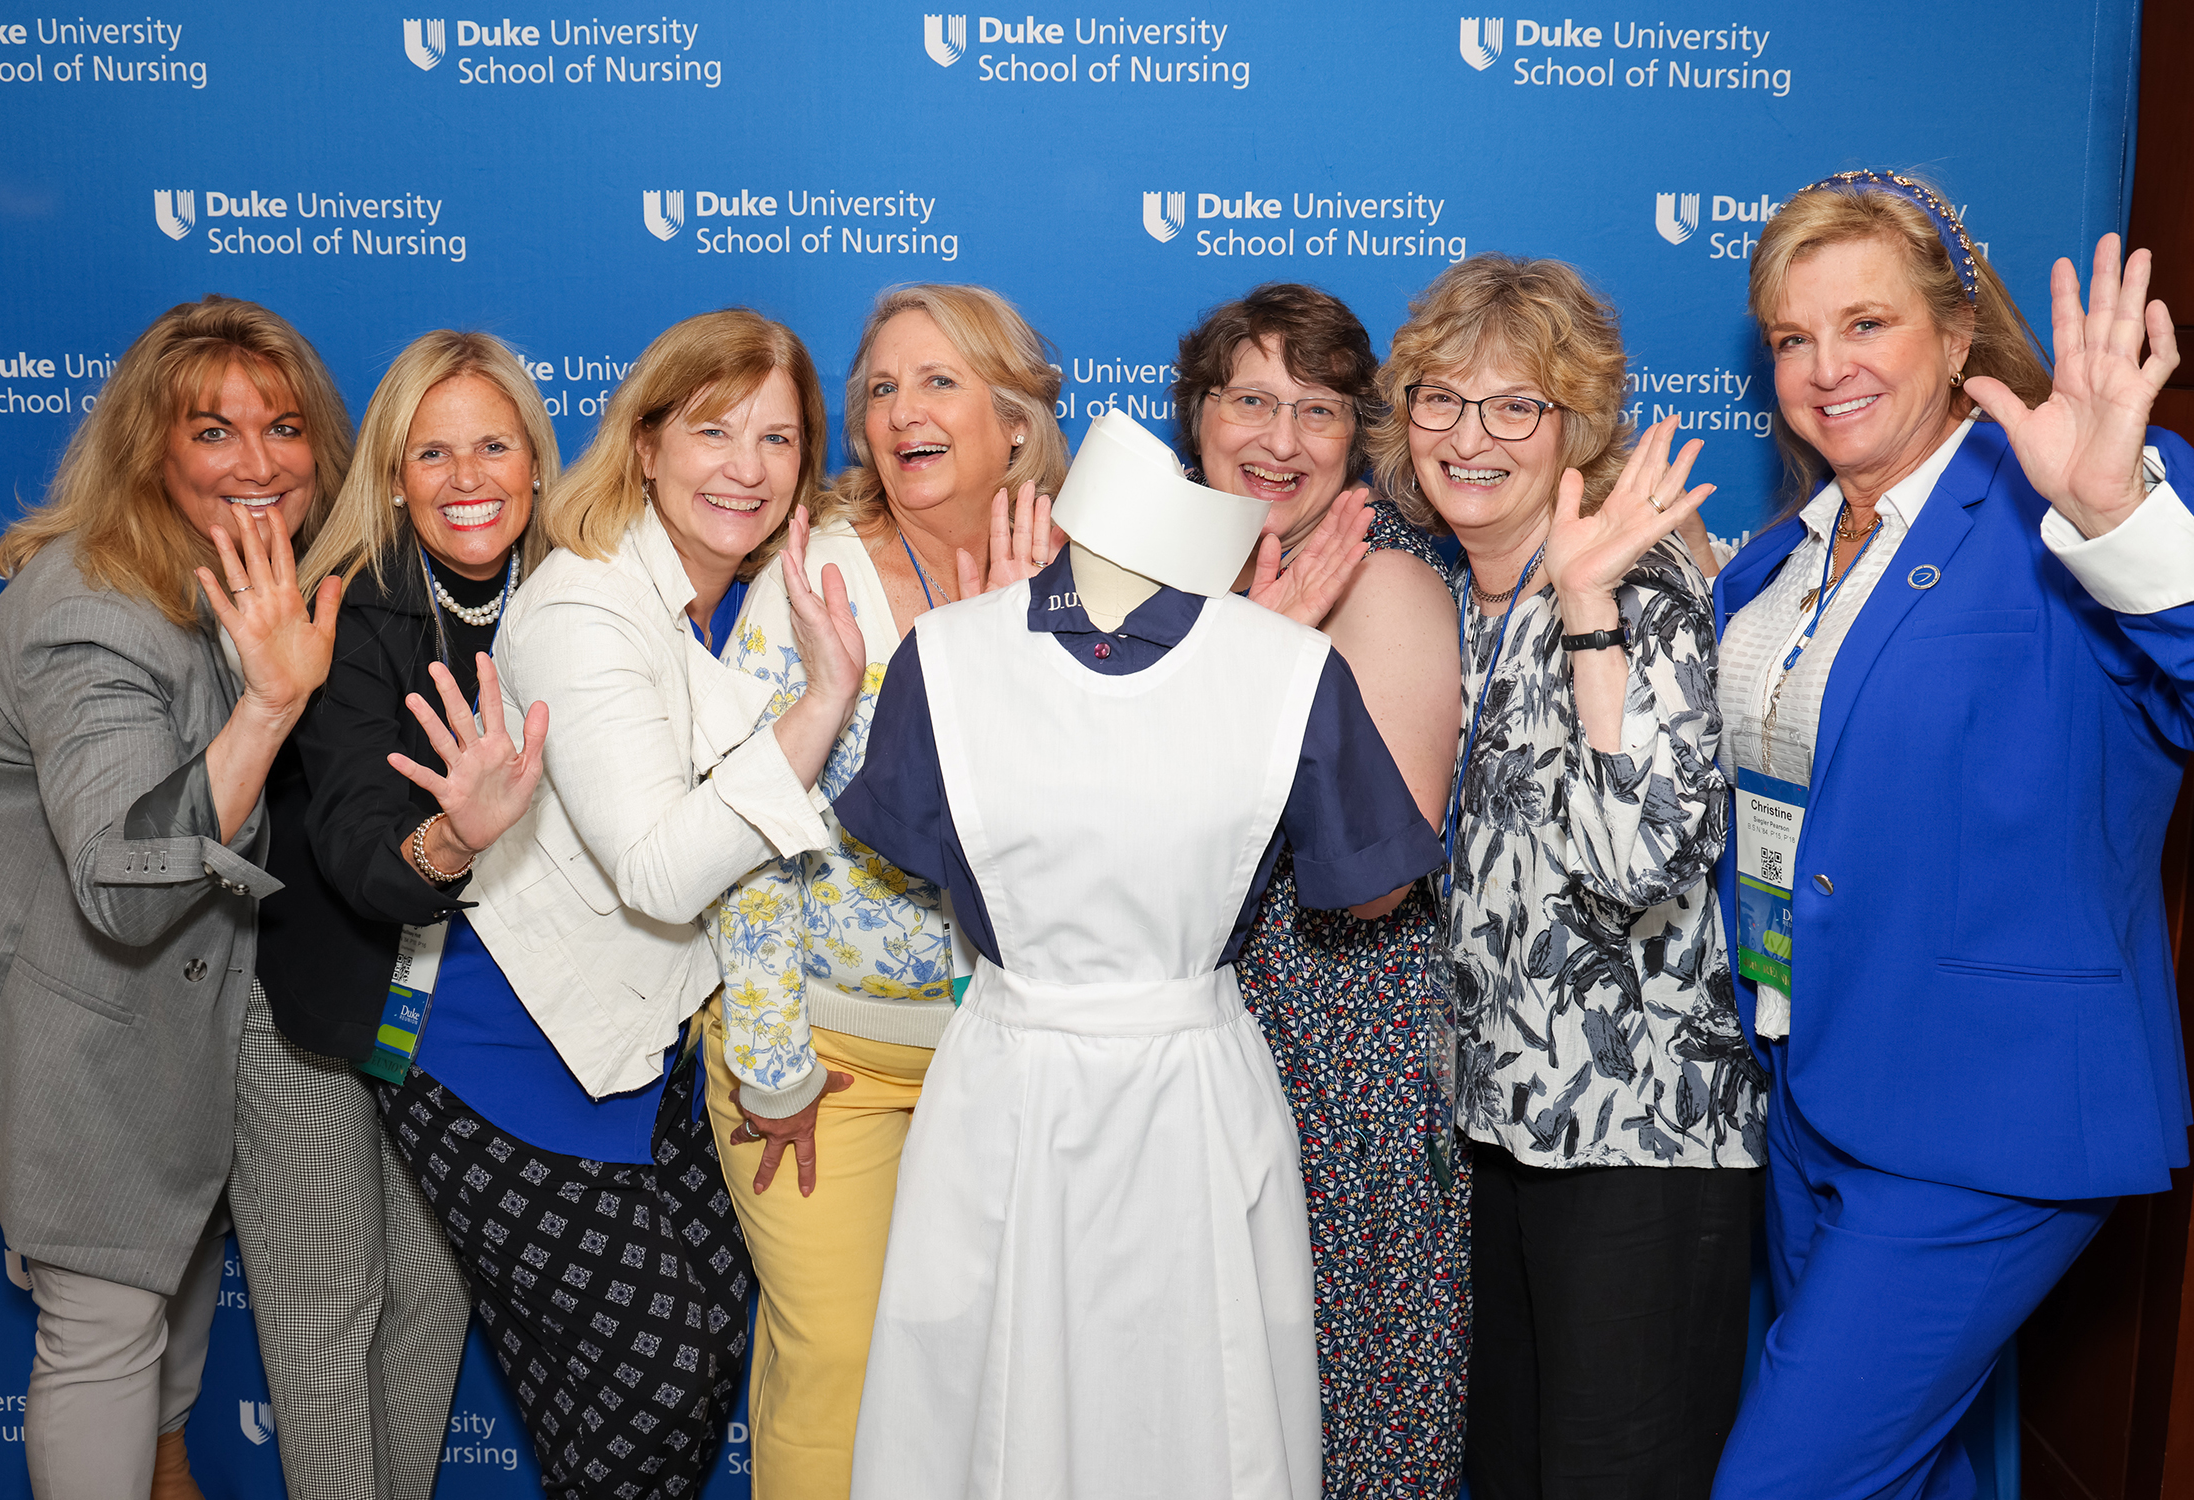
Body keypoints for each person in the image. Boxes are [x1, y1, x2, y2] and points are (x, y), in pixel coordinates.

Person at [1707, 171, 2194, 1500]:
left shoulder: (2082, 499)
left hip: (1983, 1117)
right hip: (1813, 1081)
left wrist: (2116, 520)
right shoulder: (1775, 563)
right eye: (1791, 337)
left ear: (1956, 334)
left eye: (1866, 323)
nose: (1826, 368)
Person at [840, 406, 1448, 1499]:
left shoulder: (1288, 668)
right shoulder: (946, 658)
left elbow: (1377, 878)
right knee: (999, 1394)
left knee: (1191, 1405)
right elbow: (1371, 880)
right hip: (1026, 1082)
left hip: (1177, 1095)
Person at [373, 308, 865, 1498]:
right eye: (712, 431)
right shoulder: (588, 606)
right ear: (644, 445)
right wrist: (821, 705)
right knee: (663, 1377)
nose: (745, 468)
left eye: (778, 439)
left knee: (642, 1415)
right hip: (501, 1051)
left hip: (647, 1046)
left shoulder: (728, 600)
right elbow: (656, 867)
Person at [1366, 254, 1763, 1500]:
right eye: (1440, 398)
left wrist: (1589, 607)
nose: (1469, 437)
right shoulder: (1460, 597)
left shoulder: (1635, 589)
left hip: (1640, 1145)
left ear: (1575, 428)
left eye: (1514, 406)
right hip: (1508, 1130)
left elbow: (1640, 864)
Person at [0, 295, 349, 1500]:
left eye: (281, 427)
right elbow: (126, 886)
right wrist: (270, 705)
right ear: (151, 447)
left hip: (175, 1031)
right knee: (102, 1334)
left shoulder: (231, 579)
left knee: (163, 1302)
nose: (257, 461)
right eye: (213, 431)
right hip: (75, 1032)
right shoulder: (92, 612)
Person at [710, 282, 1067, 1495]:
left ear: (1014, 421)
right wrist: (771, 1061)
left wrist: (1005, 664)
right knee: (841, 1368)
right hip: (825, 1066)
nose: (902, 409)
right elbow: (751, 834)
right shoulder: (811, 578)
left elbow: (1088, 835)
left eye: (938, 380)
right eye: (879, 388)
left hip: (1003, 1067)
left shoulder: (1078, 587)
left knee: (984, 1390)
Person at [234, 331, 562, 1500]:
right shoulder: (347, 609)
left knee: (433, 1308)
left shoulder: (577, 598)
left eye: (491, 446)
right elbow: (362, 852)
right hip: (318, 1016)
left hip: (473, 1040)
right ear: (392, 476)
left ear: (535, 462)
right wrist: (454, 835)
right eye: (434, 452)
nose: (466, 478)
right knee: (329, 1315)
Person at [1170, 282, 1468, 1496]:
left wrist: (1260, 661)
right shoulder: (1155, 586)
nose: (1278, 441)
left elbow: (1373, 887)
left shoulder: (1381, 587)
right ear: (1199, 417)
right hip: (1190, 1033)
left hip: (1342, 1054)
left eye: (1318, 410)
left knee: (1352, 1401)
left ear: (1361, 439)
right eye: (1250, 400)